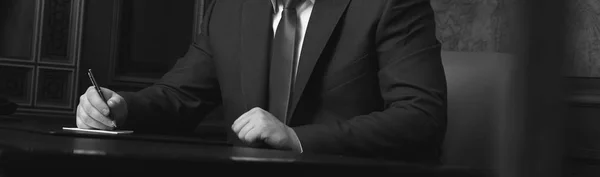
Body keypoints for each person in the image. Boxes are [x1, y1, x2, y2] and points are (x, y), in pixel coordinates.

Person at [76, 0, 447, 163]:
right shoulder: (231, 8)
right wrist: (123, 108)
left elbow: (420, 117)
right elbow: (179, 96)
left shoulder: (389, 4)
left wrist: (298, 139)